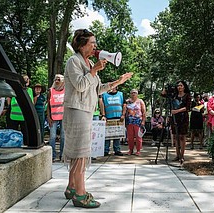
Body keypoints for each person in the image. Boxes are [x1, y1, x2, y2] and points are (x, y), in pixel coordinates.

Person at [63, 29, 132, 208]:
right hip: (77, 110)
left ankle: (71, 187)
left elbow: (97, 88)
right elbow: (79, 86)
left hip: (85, 111)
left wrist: (118, 82)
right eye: (92, 43)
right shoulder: (74, 61)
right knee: (80, 153)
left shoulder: (88, 62)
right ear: (82, 44)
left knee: (79, 151)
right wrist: (93, 71)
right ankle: (80, 194)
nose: (95, 46)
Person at [161, 80, 191, 163]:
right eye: (178, 86)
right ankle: (177, 155)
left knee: (182, 137)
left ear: (184, 86)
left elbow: (187, 107)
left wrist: (177, 111)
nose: (179, 87)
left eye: (181, 85)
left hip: (183, 118)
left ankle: (182, 155)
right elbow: (163, 95)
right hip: (174, 118)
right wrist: (166, 88)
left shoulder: (187, 96)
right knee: (176, 137)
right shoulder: (174, 95)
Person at [6, 74, 33, 145]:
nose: (26, 81)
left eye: (27, 79)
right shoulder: (14, 89)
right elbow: (9, 97)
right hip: (13, 114)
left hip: (24, 116)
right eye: (24, 79)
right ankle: (12, 145)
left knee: (25, 133)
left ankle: (26, 145)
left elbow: (32, 102)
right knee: (12, 132)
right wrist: (9, 106)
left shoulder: (30, 90)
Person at [101, 86, 125, 156]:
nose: (112, 88)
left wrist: (123, 114)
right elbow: (102, 105)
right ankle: (106, 150)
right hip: (108, 117)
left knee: (117, 134)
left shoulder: (120, 94)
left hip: (118, 117)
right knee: (107, 135)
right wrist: (103, 115)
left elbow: (124, 105)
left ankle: (117, 150)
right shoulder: (104, 95)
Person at [47, 74, 65, 162]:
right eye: (56, 79)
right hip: (53, 117)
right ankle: (52, 156)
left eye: (59, 79)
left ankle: (62, 155)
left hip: (64, 117)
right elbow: (48, 105)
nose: (57, 81)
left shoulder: (66, 91)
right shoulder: (51, 91)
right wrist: (48, 117)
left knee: (63, 136)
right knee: (52, 137)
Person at [123, 89, 146, 156]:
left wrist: (143, 121)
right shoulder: (127, 101)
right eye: (132, 93)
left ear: (137, 94)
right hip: (129, 121)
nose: (133, 94)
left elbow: (144, 112)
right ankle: (131, 150)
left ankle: (138, 150)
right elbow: (124, 110)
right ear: (130, 94)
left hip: (138, 121)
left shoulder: (140, 101)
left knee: (138, 137)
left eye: (135, 93)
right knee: (130, 137)